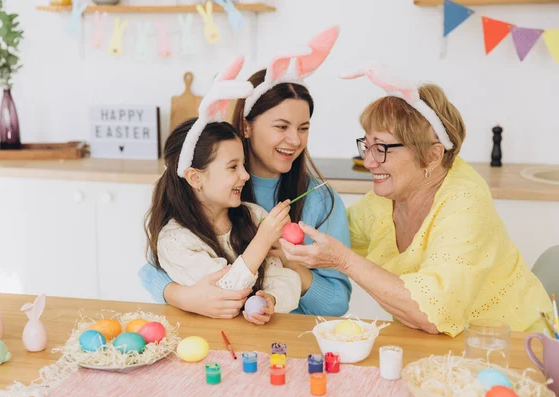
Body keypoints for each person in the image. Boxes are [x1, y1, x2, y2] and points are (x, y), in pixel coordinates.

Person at [280, 65, 553, 337]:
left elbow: (432, 313)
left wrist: (344, 261)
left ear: (432, 156)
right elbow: (329, 237)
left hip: (519, 345)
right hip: (445, 347)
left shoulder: (465, 203)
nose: (370, 161)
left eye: (383, 148)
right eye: (367, 144)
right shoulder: (384, 200)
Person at [139, 26, 352, 318]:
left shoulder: (321, 201)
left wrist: (289, 263)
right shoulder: (214, 184)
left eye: (303, 128)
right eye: (281, 126)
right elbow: (154, 267)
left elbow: (336, 304)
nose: (294, 140)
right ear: (247, 126)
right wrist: (182, 296)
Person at [145, 57, 301, 325]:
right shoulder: (175, 240)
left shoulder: (252, 215)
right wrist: (262, 241)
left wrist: (272, 298)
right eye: (232, 167)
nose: (245, 175)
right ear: (195, 177)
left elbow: (284, 276)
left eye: (243, 164)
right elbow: (225, 295)